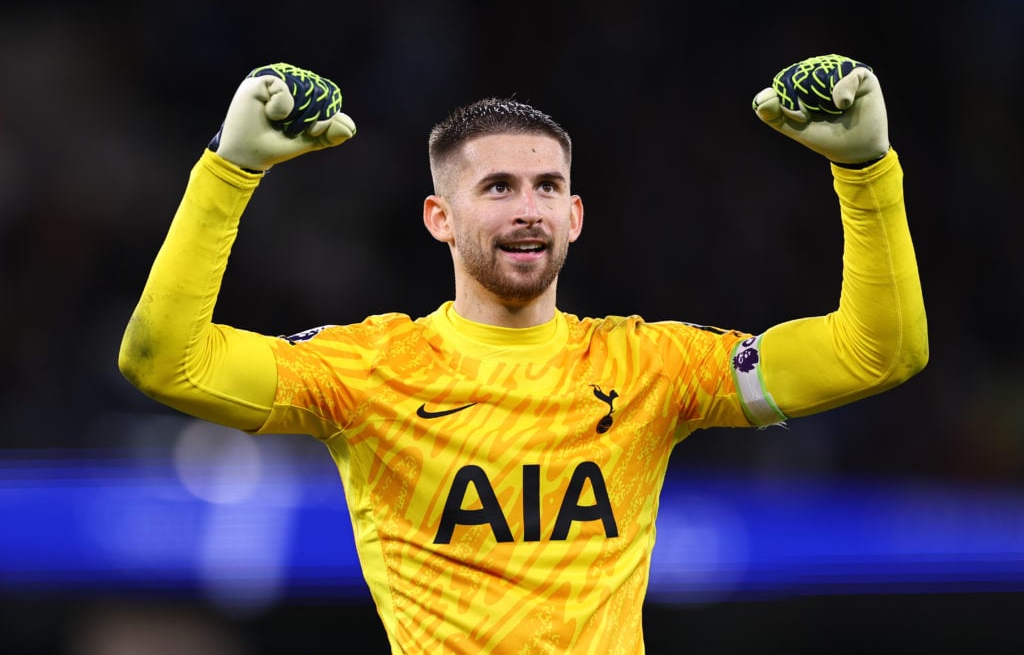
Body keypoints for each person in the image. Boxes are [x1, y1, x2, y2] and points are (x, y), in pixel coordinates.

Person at [118, 55, 928, 653]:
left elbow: (877, 354)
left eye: (547, 187)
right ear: (440, 217)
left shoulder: (649, 366)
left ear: (576, 215)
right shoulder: (367, 369)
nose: (529, 208)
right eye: (498, 186)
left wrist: (865, 171)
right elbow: (166, 362)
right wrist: (231, 167)